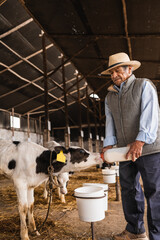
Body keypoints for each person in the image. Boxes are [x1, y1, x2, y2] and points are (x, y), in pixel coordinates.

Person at [101, 52, 160, 240]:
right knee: (129, 189)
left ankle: (156, 236)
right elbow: (110, 124)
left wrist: (140, 140)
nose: (114, 75)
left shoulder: (143, 85)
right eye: (112, 72)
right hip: (124, 151)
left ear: (130, 69)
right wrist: (109, 145)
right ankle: (135, 230)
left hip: (149, 149)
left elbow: (150, 114)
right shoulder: (109, 97)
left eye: (118, 70)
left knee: (154, 191)